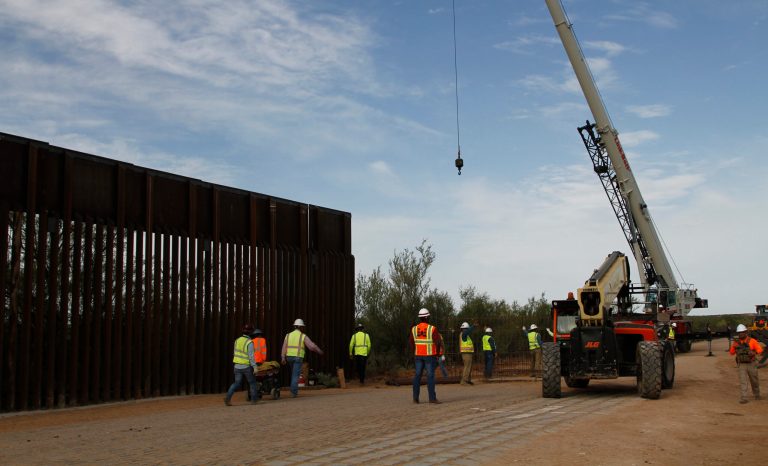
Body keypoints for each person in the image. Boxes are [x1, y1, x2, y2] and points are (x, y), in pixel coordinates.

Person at [281, 318, 324, 398]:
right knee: (295, 375)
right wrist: (319, 351)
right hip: (298, 358)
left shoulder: (288, 335)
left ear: (295, 326)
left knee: (293, 374)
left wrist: (283, 357)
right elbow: (311, 346)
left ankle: (293, 390)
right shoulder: (303, 336)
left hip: (289, 357)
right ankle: (294, 392)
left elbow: (284, 347)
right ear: (300, 327)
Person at [409, 308, 444, 404]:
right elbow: (437, 342)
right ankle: (432, 399)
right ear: (427, 317)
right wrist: (437, 354)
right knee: (430, 376)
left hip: (418, 356)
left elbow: (411, 342)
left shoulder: (414, 329)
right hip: (429, 356)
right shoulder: (432, 329)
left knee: (417, 376)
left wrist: (414, 352)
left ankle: (415, 399)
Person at [729, 324, 768, 404]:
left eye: (742, 332)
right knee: (743, 381)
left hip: (751, 363)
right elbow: (731, 353)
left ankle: (757, 394)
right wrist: (734, 347)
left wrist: (753, 352)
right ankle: (744, 397)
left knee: (754, 380)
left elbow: (760, 350)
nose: (741, 334)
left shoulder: (752, 341)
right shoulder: (736, 343)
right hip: (741, 364)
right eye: (739, 333)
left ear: (746, 332)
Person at [224, 324, 260, 406]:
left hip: (236, 366)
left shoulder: (237, 340)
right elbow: (251, 356)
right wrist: (255, 367)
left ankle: (228, 398)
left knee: (236, 383)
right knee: (252, 383)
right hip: (246, 367)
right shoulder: (249, 342)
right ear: (251, 333)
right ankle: (254, 400)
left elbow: (234, 353)